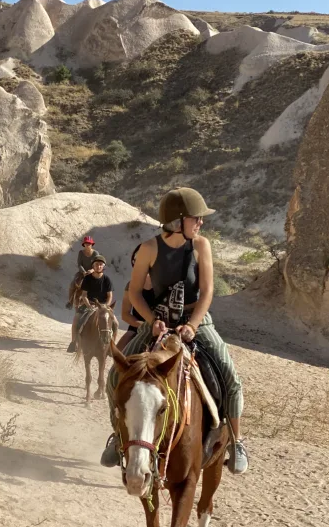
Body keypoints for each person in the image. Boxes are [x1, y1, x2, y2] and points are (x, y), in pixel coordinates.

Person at [101, 187, 248, 474]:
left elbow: (207, 292)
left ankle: (236, 441)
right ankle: (117, 436)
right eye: (196, 218)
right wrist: (150, 321)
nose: (201, 223)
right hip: (157, 323)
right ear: (178, 221)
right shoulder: (149, 249)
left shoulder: (201, 246)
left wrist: (193, 325)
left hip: (197, 323)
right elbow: (135, 291)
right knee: (114, 376)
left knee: (231, 378)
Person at [67, 255, 113, 353]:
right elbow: (84, 295)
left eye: (101, 264)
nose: (98, 266)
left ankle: (110, 347)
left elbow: (109, 296)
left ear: (103, 266)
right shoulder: (87, 279)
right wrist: (89, 306)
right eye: (96, 264)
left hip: (103, 306)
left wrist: (106, 306)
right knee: (76, 319)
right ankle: (73, 342)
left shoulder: (107, 280)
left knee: (115, 323)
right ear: (93, 266)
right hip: (89, 304)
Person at [116, 245, 155, 352]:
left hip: (160, 328)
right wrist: (143, 326)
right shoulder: (131, 285)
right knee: (118, 352)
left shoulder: (164, 284)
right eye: (137, 260)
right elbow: (125, 314)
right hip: (137, 328)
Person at [66, 236, 97, 309]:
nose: (88, 245)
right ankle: (70, 301)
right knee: (73, 284)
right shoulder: (81, 252)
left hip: (92, 273)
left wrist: (92, 270)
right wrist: (83, 272)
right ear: (84, 244)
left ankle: (95, 302)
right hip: (82, 273)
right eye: (86, 243)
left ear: (92, 244)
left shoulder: (95, 253)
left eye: (89, 243)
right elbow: (79, 264)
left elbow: (97, 264)